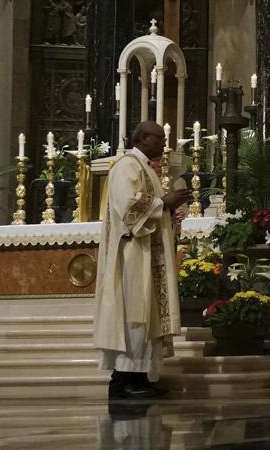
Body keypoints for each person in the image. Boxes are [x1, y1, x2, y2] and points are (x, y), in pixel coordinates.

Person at [93, 121, 191, 399]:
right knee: (134, 315)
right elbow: (128, 210)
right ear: (144, 138)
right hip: (132, 257)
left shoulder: (145, 166)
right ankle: (124, 380)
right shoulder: (127, 166)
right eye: (159, 138)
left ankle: (140, 377)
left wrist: (169, 210)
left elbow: (147, 206)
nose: (163, 143)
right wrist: (166, 203)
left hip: (147, 255)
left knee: (146, 315)